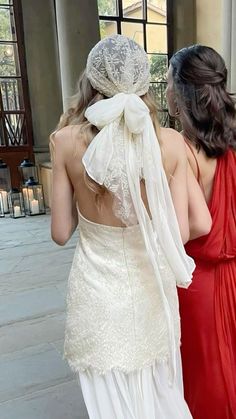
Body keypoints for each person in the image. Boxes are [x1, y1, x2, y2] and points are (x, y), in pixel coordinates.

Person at [50, 35, 210, 419]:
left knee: (111, 406)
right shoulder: (169, 143)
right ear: (144, 83)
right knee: (158, 396)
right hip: (150, 291)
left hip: (97, 296)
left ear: (91, 80)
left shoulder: (65, 141)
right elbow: (185, 231)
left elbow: (60, 232)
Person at [166, 44, 236, 419]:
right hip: (234, 273)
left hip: (198, 285)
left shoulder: (179, 148)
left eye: (167, 84)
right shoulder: (232, 141)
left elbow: (183, 229)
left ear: (179, 95)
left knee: (205, 377)